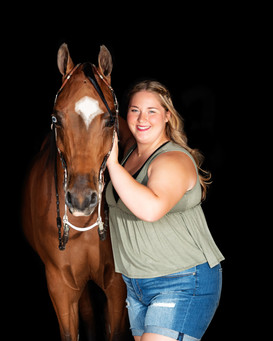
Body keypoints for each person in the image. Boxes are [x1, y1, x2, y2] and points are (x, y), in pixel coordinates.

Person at [106, 80, 224, 341]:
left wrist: (111, 164)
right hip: (136, 284)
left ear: (167, 116)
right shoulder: (130, 156)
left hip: (182, 281)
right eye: (135, 110)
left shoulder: (174, 159)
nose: (141, 118)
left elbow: (150, 210)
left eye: (152, 111)